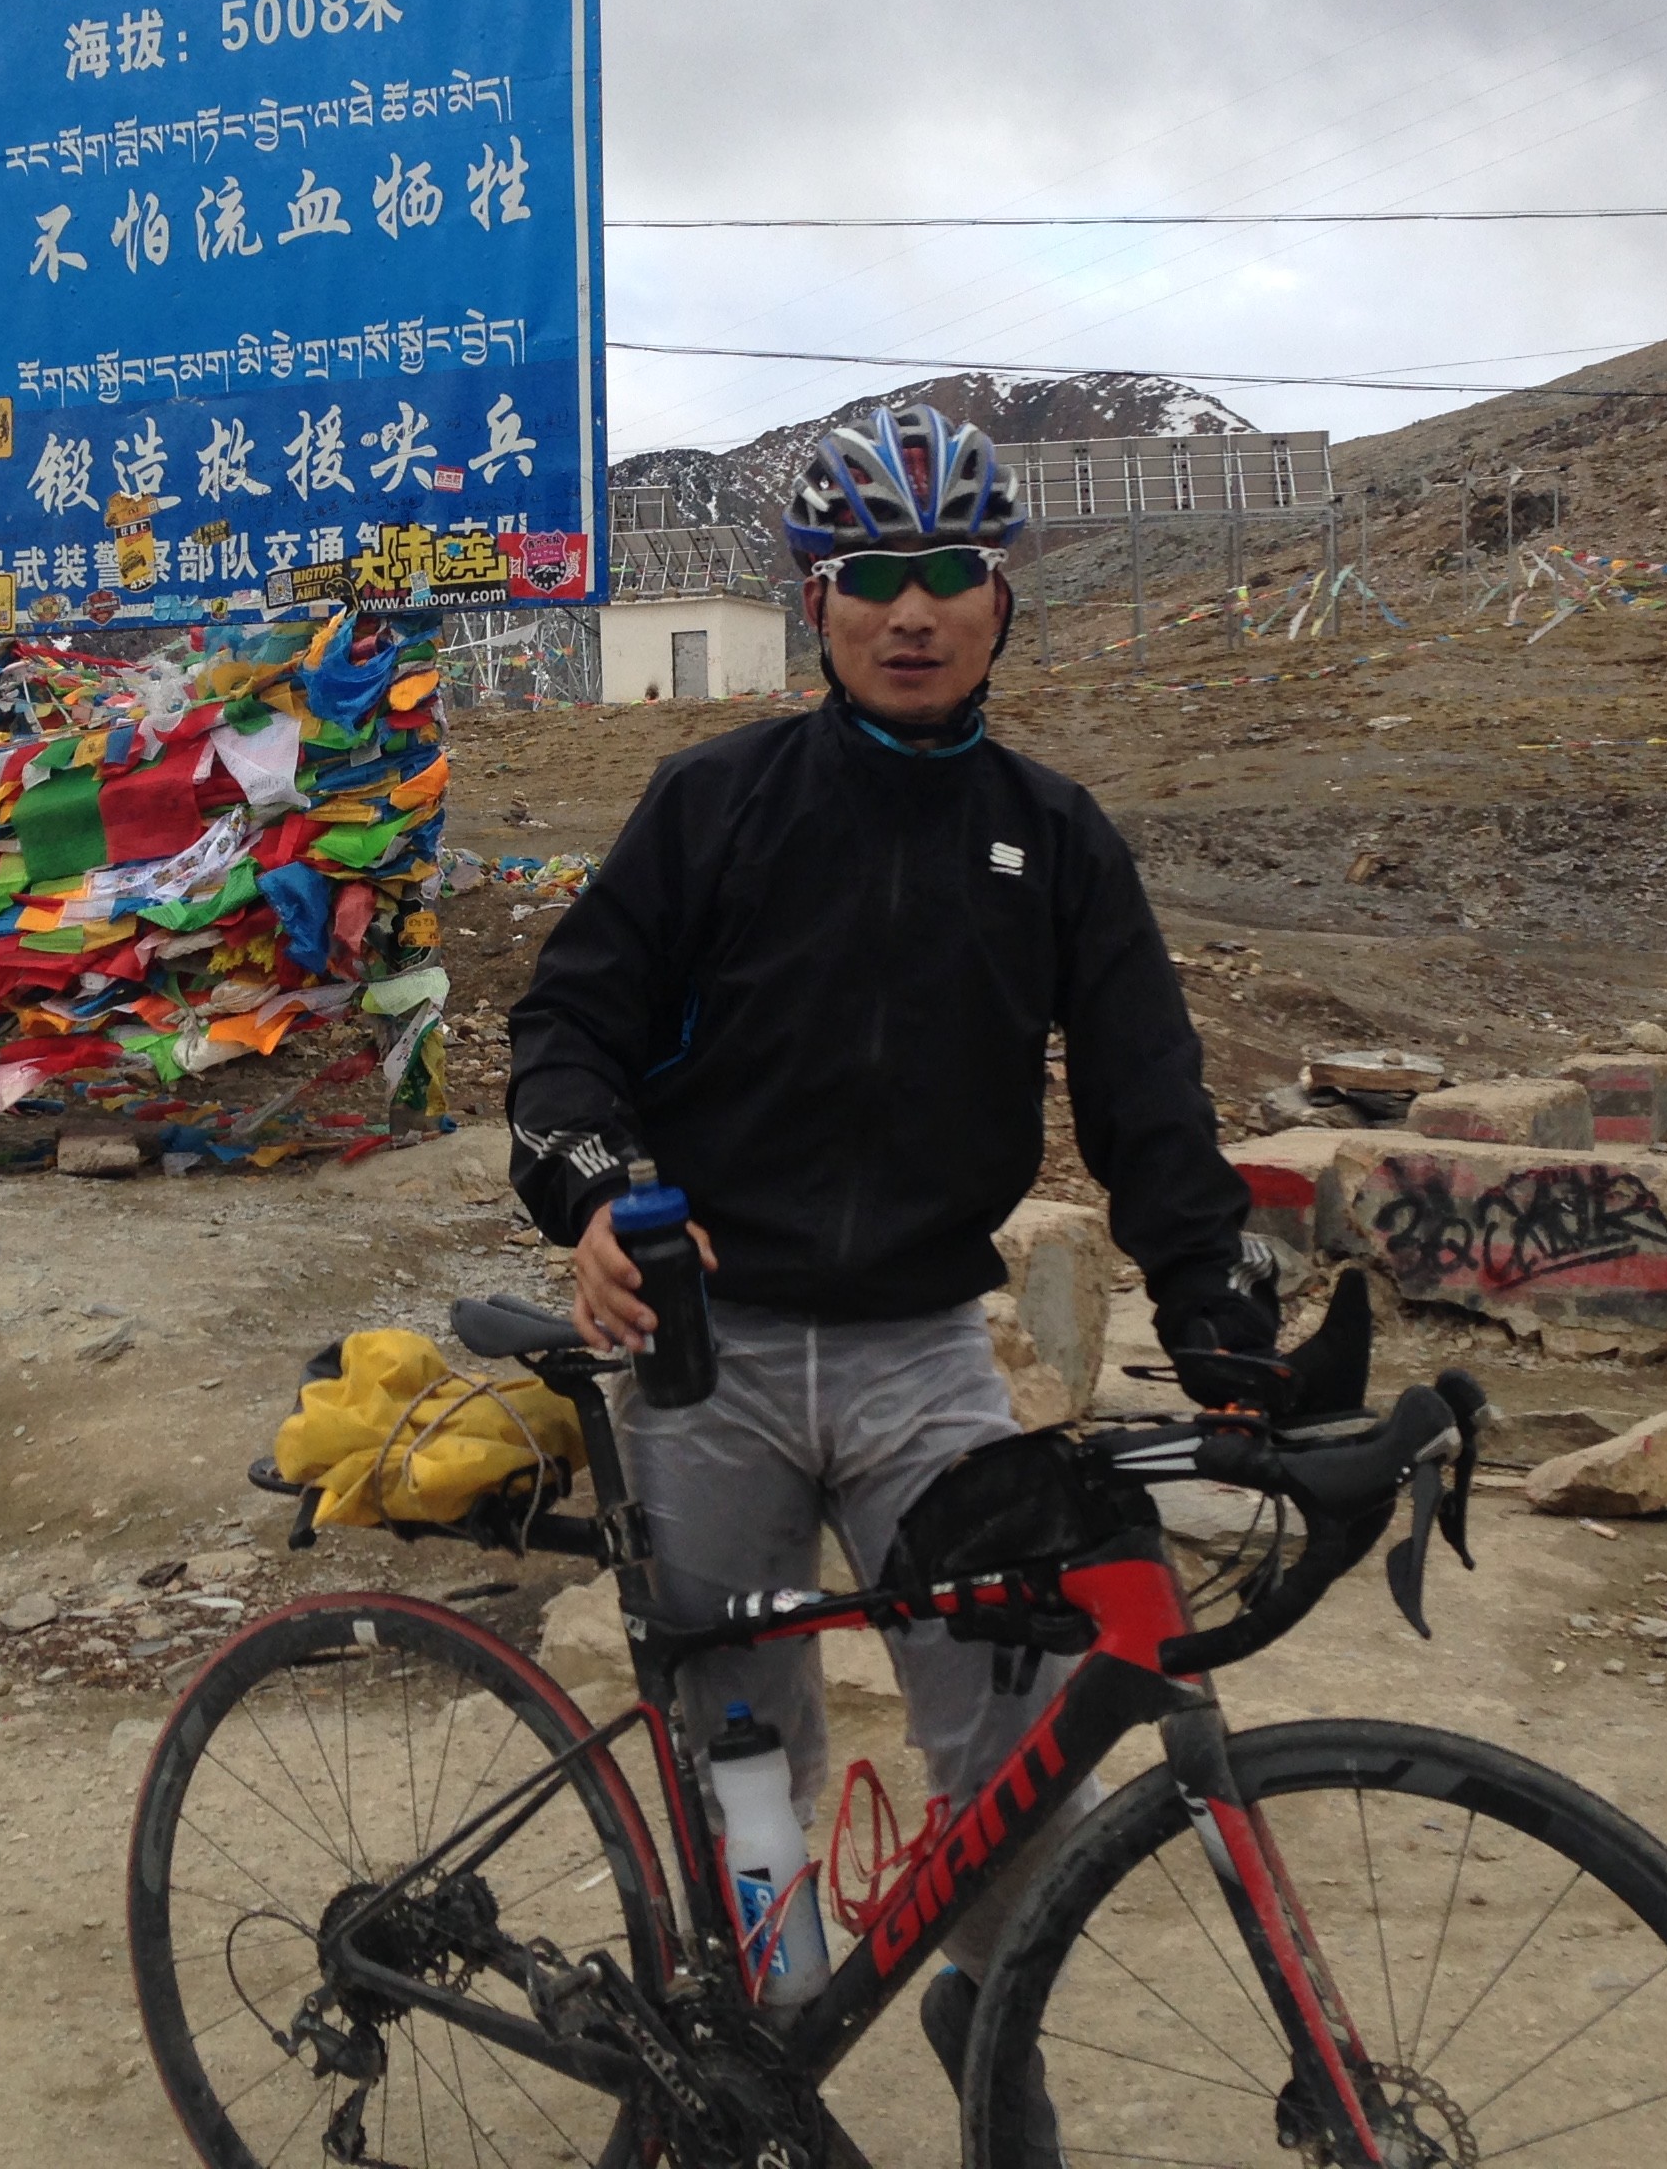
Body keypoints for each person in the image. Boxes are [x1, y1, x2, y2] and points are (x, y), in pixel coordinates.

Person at [506, 402, 1274, 2160]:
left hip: (929, 1359)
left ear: (1003, 601)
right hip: (708, 1358)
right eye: (870, 579)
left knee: (1012, 1736)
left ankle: (984, 2016)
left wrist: (1214, 1298)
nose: (910, 611)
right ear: (815, 603)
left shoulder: (1055, 837)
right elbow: (568, 1030)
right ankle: (767, 2055)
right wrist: (596, 1192)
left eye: (947, 574)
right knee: (744, 1747)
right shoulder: (717, 803)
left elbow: (1149, 1094)